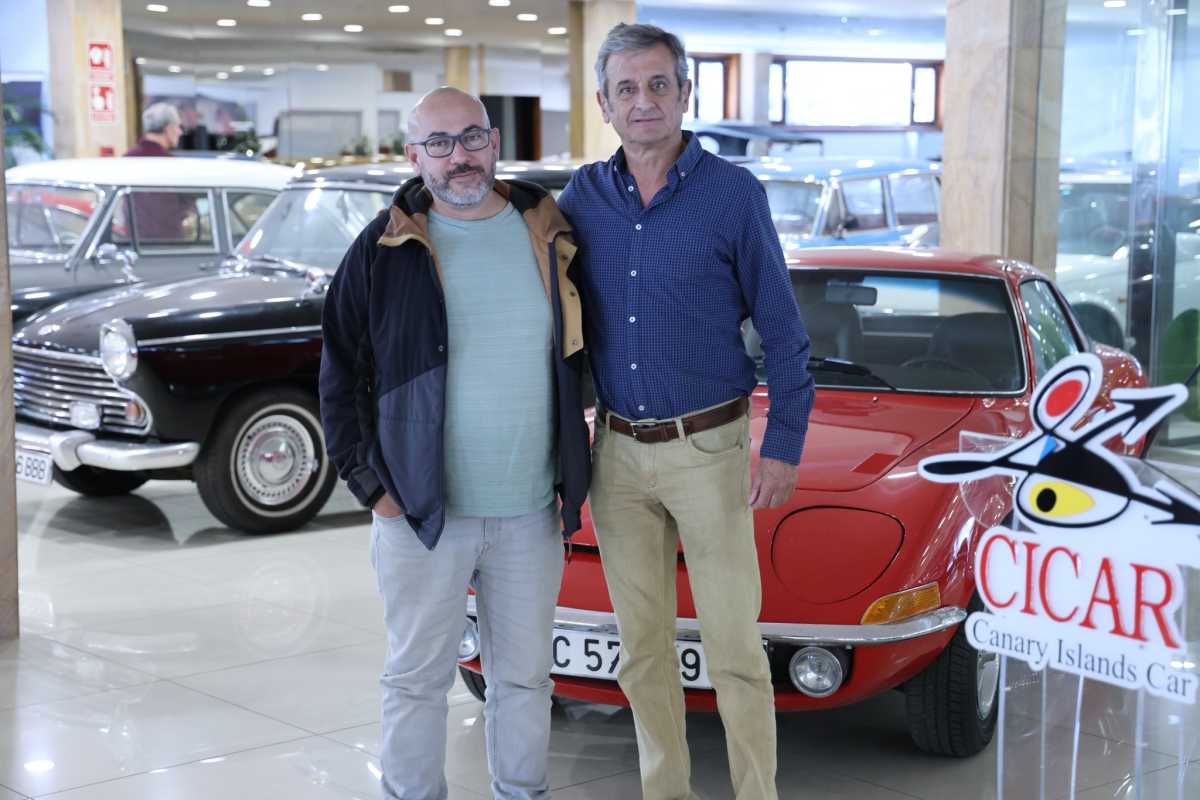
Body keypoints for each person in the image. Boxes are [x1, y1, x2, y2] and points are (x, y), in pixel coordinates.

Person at [556, 23, 815, 800]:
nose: (644, 101)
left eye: (658, 84)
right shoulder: (581, 198)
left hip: (709, 449)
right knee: (642, 651)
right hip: (618, 454)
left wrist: (785, 443)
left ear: (685, 93)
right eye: (626, 88)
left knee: (734, 648)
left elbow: (784, 330)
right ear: (604, 104)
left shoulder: (733, 195)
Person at [319, 87, 590, 800]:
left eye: (471, 137)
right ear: (414, 156)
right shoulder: (384, 247)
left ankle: (522, 793)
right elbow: (339, 373)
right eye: (438, 143)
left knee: (525, 679)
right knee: (416, 679)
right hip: (418, 511)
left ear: (494, 142)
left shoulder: (548, 231)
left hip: (531, 510)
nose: (458, 156)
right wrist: (372, 489)